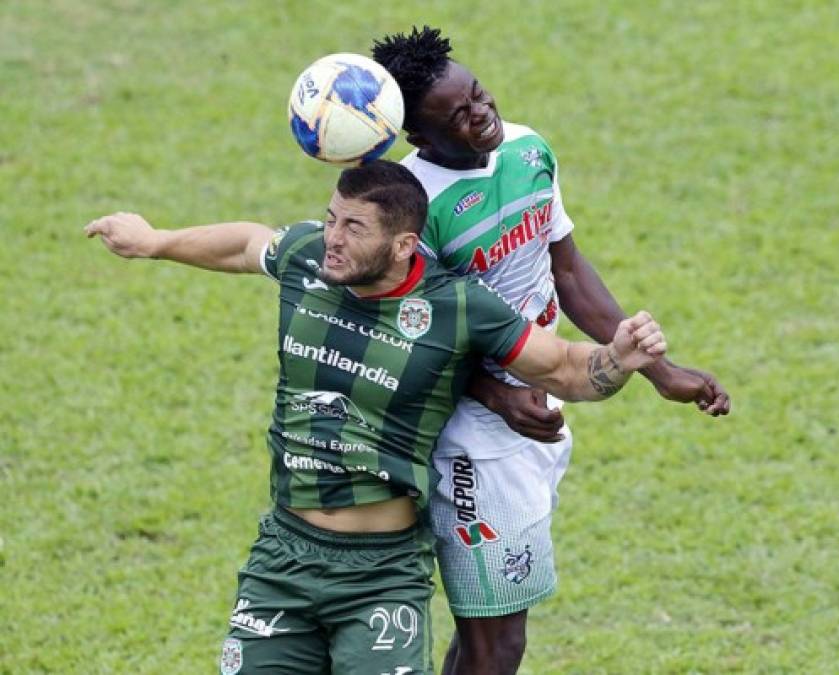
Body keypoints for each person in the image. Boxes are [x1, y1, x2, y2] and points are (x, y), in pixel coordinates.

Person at [85, 160, 668, 675]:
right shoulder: (307, 259)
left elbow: (565, 368)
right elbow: (245, 244)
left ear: (403, 245)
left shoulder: (458, 307)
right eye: (331, 218)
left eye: (353, 227)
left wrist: (619, 358)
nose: (331, 238)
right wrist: (154, 241)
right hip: (282, 556)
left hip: (381, 575)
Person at [372, 27, 731, 675]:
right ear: (420, 139)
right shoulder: (410, 205)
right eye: (457, 114)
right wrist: (495, 395)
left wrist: (658, 371)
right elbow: (408, 329)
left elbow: (565, 269)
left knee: (487, 634)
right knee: (497, 644)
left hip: (537, 415)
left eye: (479, 94)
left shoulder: (529, 148)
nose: (481, 112)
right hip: (469, 439)